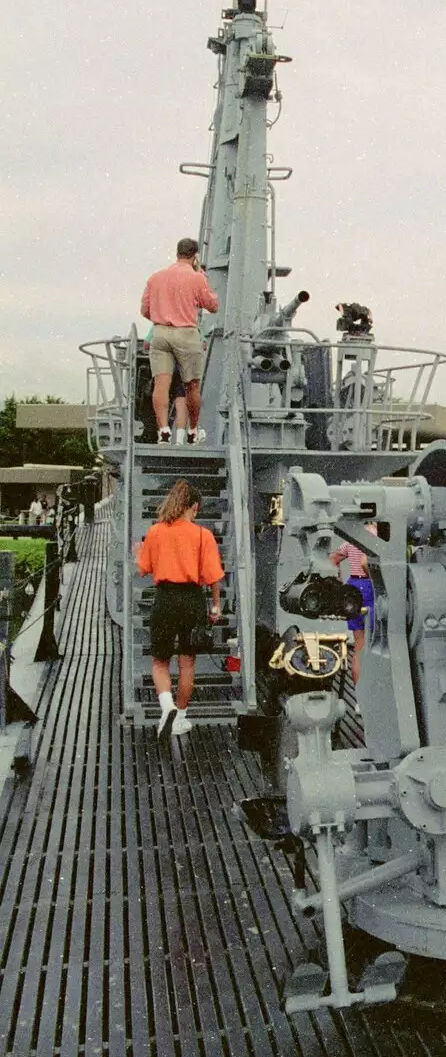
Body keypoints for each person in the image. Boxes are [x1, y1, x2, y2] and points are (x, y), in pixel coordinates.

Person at [135, 479, 225, 739]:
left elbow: (143, 569)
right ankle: (181, 718)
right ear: (194, 507)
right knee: (187, 663)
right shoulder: (202, 535)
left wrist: (137, 553)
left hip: (165, 598)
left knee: (160, 661)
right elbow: (213, 578)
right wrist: (216, 607)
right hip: (192, 600)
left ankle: (166, 707)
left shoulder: (155, 532)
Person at [140, 238, 218, 444]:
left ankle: (163, 431)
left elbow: (145, 310)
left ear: (177, 252)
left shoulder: (155, 278)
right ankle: (193, 432)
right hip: (186, 333)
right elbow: (212, 305)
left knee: (161, 385)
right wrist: (202, 275)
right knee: (192, 385)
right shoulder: (196, 278)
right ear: (195, 256)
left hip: (160, 333)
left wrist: (163, 318)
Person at [329, 531, 375, 683]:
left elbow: (333, 559)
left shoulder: (352, 538)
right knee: (377, 641)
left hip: (353, 587)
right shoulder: (378, 536)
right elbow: (365, 562)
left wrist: (340, 585)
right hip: (371, 586)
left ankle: (359, 698)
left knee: (359, 644)